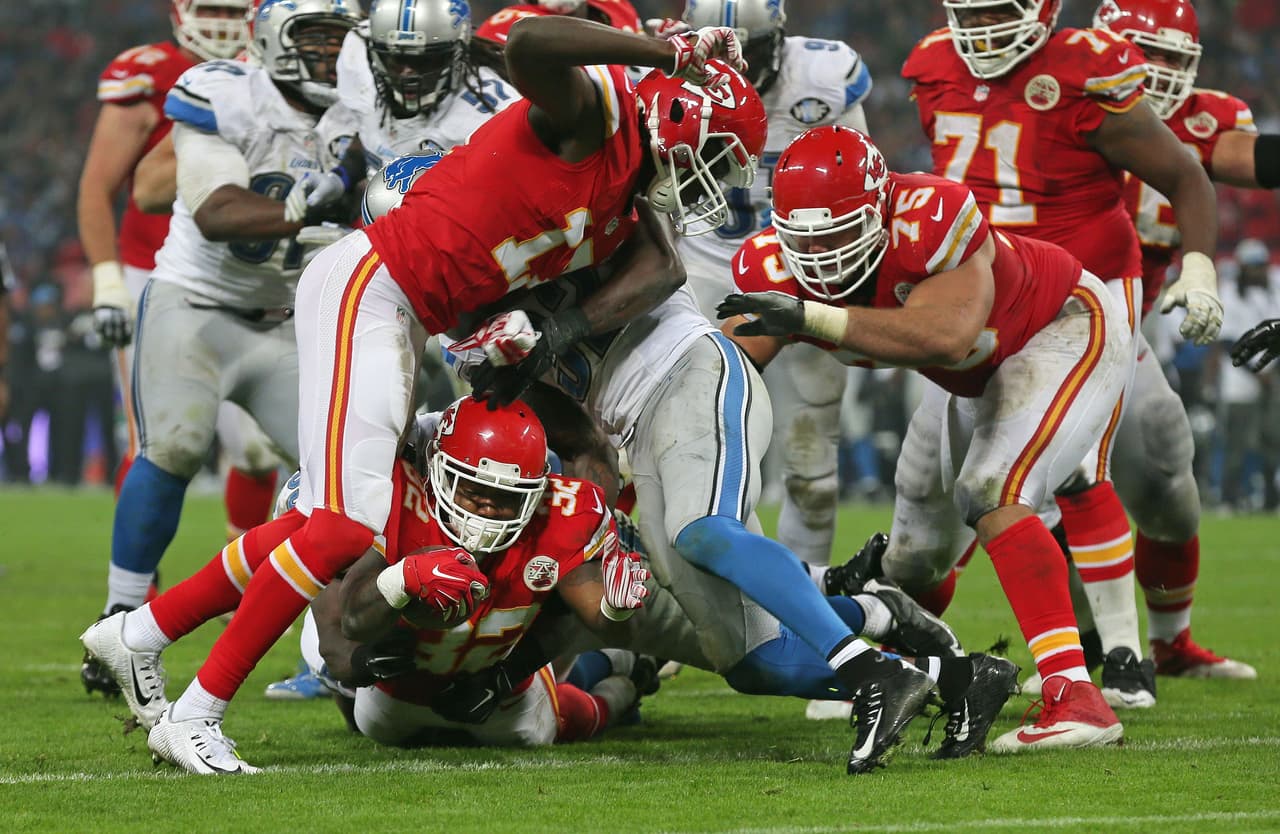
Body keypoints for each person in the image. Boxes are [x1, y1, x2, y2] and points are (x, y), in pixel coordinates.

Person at [81, 17, 763, 775]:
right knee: (342, 528)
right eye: (713, 151)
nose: (714, 175)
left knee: (322, 522)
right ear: (672, 114)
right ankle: (197, 713)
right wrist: (663, 51)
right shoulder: (594, 118)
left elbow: (663, 268)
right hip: (373, 289)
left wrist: (543, 336)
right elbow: (534, 43)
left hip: (412, 310)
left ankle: (139, 633)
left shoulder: (629, 189)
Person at [719, 125, 1132, 752]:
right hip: (971, 380)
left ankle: (1075, 695)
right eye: (807, 239)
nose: (824, 256)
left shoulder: (932, 217)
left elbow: (947, 337)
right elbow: (730, 374)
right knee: (914, 557)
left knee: (992, 491)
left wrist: (809, 315)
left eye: (839, 234)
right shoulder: (770, 263)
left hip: (1060, 326)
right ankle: (905, 666)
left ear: (881, 211)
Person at [902, 0, 1224, 708]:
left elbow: (1191, 175)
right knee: (925, 503)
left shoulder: (1087, 69)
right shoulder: (932, 64)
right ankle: (902, 650)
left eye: (998, 10)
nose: (984, 28)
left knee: (1081, 467)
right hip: (981, 295)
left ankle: (1123, 654)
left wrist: (1199, 264)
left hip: (1081, 296)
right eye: (973, 11)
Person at [86, 0, 364, 694]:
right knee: (174, 446)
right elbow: (214, 213)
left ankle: (332, 651)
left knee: (347, 484)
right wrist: (309, 208)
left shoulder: (365, 102)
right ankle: (121, 618)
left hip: (289, 317)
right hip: (197, 304)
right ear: (273, 41)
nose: (331, 54)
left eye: (340, 39)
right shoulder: (222, 91)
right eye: (316, 39)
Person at [669, 3, 874, 724]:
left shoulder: (823, 80)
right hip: (695, 283)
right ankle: (694, 614)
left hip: (802, 271)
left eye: (749, 46)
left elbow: (860, 179)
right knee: (692, 467)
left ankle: (818, 630)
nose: (735, 57)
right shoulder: (666, 67)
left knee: (811, 473)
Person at [1091, 0, 1273, 678]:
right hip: (1018, 319)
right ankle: (897, 642)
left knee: (1166, 458)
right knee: (935, 522)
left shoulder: (1200, 120)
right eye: (1148, 52)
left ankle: (1168, 642)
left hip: (1115, 326)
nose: (1162, 71)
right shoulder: (1061, 100)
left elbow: (1246, 159)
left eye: (1174, 56)